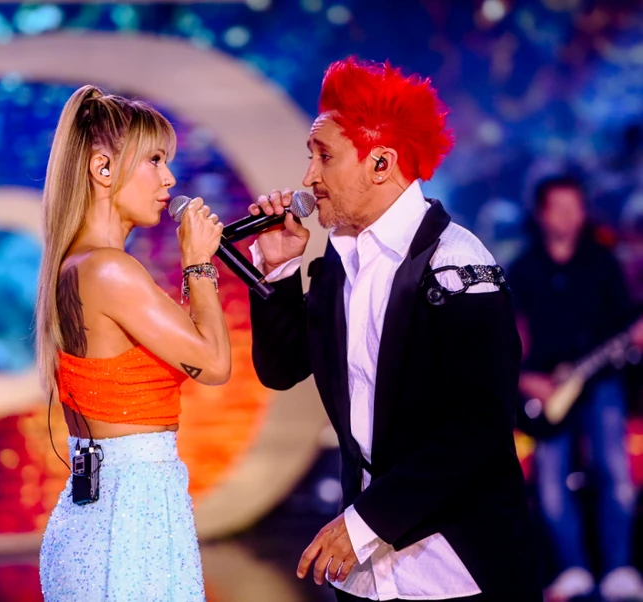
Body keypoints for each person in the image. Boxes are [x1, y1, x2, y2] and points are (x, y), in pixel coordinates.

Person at [247, 57, 541, 601]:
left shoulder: (457, 264)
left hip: (453, 569)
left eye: (324, 156)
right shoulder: (340, 260)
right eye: (311, 156)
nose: (309, 177)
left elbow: (478, 427)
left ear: (381, 163)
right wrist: (279, 269)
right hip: (366, 577)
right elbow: (281, 367)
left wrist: (363, 524)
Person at [35, 85, 230, 601]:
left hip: (106, 509)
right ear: (102, 169)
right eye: (155, 160)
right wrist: (198, 263)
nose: (169, 179)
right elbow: (213, 362)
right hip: (131, 518)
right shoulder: (109, 270)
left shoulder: (77, 265)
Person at [510, 175, 643, 602]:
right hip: (546, 390)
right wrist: (524, 377)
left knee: (614, 471)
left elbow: (626, 324)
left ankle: (620, 567)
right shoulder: (523, 269)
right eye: (560, 207)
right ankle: (572, 569)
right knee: (551, 481)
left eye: (576, 207)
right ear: (541, 214)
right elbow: (508, 337)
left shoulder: (602, 263)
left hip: (602, 381)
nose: (571, 216)